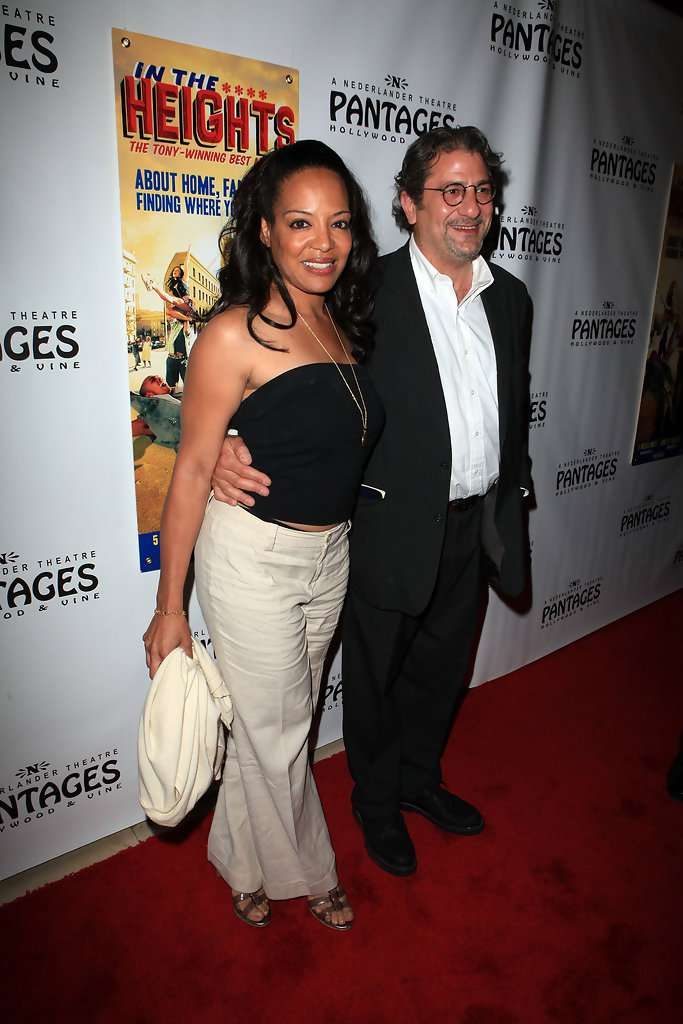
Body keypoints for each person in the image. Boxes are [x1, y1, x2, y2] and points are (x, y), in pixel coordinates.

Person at [212, 126, 533, 877]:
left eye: (481, 190)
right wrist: (228, 430)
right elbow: (270, 343)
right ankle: (376, 801)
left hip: (475, 524)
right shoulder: (362, 292)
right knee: (377, 680)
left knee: (440, 672)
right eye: (448, 191)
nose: (469, 207)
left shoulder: (510, 298)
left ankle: (420, 780)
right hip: (388, 525)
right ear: (406, 204)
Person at [142, 140, 383, 930]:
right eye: (301, 223)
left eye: (339, 224)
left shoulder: (342, 323)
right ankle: (310, 873)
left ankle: (240, 862)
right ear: (266, 232)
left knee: (273, 723)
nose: (323, 243)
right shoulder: (230, 334)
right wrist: (169, 609)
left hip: (330, 556)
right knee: (280, 734)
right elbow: (189, 470)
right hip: (251, 557)